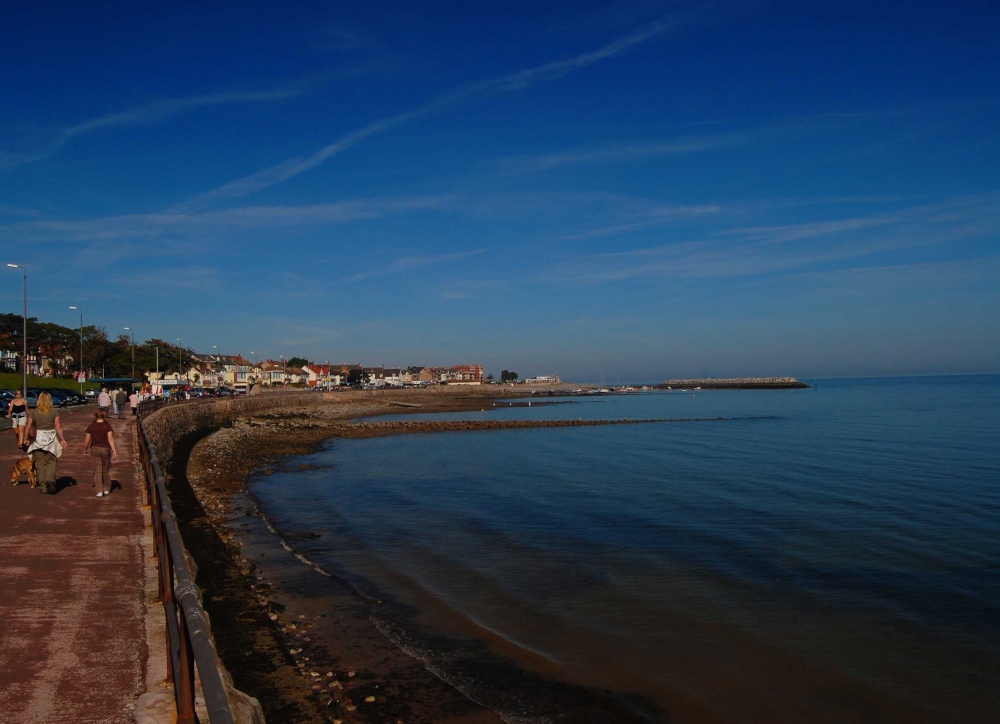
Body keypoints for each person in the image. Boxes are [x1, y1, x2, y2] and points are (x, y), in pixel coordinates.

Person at [25, 392, 68, 495]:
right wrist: (62, 439)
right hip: (51, 440)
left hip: (38, 439)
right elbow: (58, 427)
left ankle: (43, 485)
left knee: (39, 464)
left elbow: (28, 427)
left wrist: (26, 439)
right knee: (51, 462)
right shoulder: (54, 412)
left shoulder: (33, 412)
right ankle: (50, 480)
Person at [83, 409, 117, 497]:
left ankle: (99, 490)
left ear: (95, 416)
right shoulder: (107, 426)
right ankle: (106, 488)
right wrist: (114, 450)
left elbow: (87, 439)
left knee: (97, 470)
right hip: (105, 449)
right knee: (105, 468)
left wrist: (85, 448)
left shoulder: (91, 426)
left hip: (94, 448)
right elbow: (110, 439)